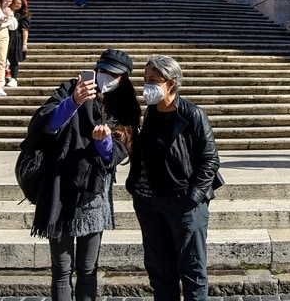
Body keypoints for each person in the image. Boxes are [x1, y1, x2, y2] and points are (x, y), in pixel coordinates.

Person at [26, 49, 140, 301]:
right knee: (61, 268)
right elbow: (42, 125)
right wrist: (73, 102)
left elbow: (118, 152)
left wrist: (104, 143)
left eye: (113, 74)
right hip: (58, 185)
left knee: (88, 268)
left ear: (123, 78)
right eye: (102, 70)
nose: (105, 76)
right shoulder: (72, 88)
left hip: (93, 191)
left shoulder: (124, 105)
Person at [126, 55, 222, 299]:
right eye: (145, 79)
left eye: (153, 80)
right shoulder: (149, 113)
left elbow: (210, 160)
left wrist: (192, 198)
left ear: (170, 83)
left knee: (192, 271)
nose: (146, 85)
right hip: (149, 204)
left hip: (183, 203)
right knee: (160, 272)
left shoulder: (192, 114)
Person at [7, 0, 31, 87]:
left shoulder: (23, 14)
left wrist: (24, 43)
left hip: (16, 37)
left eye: (19, 4)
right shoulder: (7, 10)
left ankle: (14, 78)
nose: (17, 5)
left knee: (14, 59)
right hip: (5, 36)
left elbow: (25, 29)